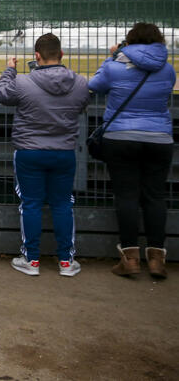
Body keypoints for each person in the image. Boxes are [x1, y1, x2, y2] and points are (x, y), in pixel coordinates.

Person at [0, 33, 89, 277]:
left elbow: (2, 95)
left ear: (36, 56)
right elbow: (82, 105)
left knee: (31, 204)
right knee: (62, 204)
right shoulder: (80, 82)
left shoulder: (24, 82)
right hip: (64, 152)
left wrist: (9, 71)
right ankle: (66, 261)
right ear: (62, 55)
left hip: (29, 152)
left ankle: (31, 259)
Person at [88, 23, 175, 279]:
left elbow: (94, 84)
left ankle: (130, 259)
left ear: (129, 42)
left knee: (126, 195)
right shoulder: (168, 69)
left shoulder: (115, 66)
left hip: (121, 136)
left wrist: (113, 55)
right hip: (160, 137)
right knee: (155, 196)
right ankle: (157, 259)